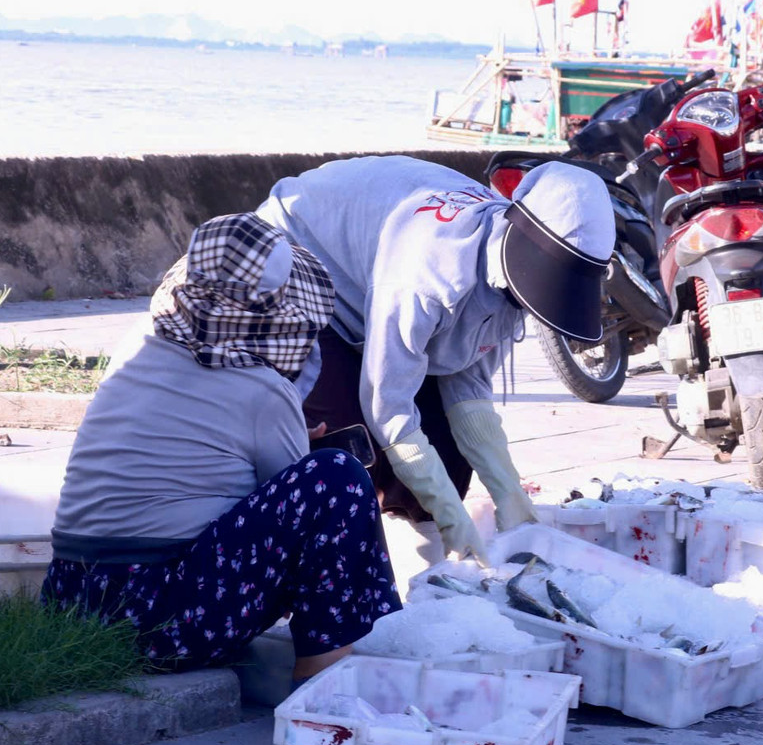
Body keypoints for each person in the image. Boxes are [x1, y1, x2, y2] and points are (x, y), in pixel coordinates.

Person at [43, 213, 399, 678]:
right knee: (337, 478)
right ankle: (324, 674)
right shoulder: (258, 386)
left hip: (73, 597)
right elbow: (302, 522)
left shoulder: (138, 345)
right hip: (156, 613)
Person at [256, 157, 615, 562]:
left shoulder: (512, 274)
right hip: (300, 262)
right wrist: (449, 513)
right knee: (351, 439)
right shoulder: (428, 273)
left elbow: (467, 385)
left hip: (373, 279)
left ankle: (431, 560)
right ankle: (327, 560)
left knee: (446, 444)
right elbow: (386, 402)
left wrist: (508, 492)